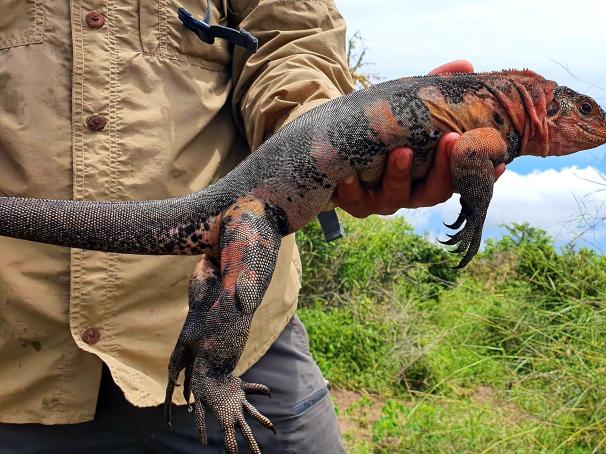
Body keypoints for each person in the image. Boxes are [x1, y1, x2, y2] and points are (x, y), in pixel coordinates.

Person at [0, 1, 498, 452]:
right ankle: (212, 374)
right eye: (581, 110)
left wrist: (319, 134)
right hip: (18, 338)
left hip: (238, 324)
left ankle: (212, 368)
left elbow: (294, 36)